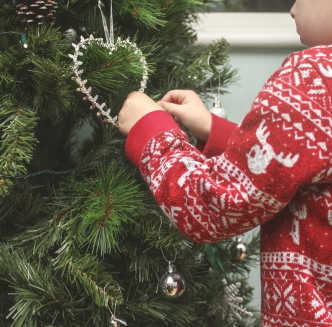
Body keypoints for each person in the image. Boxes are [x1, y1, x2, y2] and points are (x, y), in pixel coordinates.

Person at [118, 0, 332, 326]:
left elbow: (212, 206)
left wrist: (150, 130)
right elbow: (304, 163)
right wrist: (214, 131)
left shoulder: (315, 75)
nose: (291, 9)